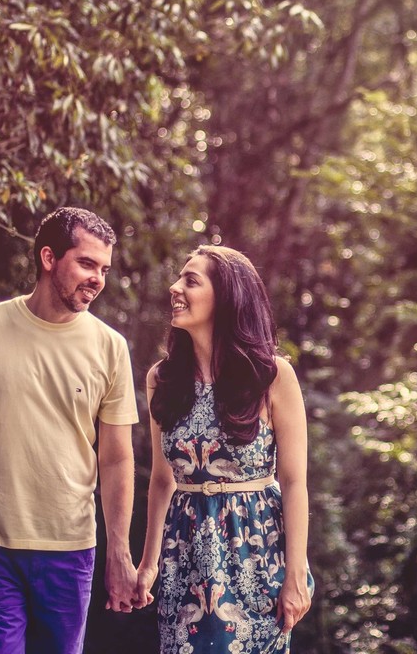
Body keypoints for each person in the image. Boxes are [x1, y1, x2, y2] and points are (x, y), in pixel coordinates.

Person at [0, 207, 143, 653]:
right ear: (48, 257)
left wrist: (119, 549)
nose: (97, 278)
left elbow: (117, 457)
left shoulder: (110, 347)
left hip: (70, 545)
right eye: (86, 263)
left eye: (104, 269)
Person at [134, 245, 312, 653]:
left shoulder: (272, 375)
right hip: (185, 557)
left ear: (227, 297)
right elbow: (162, 481)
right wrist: (148, 565)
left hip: (256, 552)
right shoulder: (161, 379)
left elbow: (294, 480)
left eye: (191, 281)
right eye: (179, 278)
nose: (174, 288)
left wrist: (296, 573)